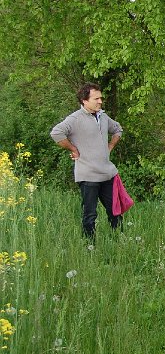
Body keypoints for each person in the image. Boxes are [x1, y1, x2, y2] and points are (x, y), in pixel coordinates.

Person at [50, 83, 124, 240]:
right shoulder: (75, 119)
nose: (100, 101)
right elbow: (56, 133)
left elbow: (118, 129)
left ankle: (120, 243)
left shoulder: (103, 116)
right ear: (84, 100)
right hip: (88, 176)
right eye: (96, 98)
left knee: (115, 212)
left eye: (101, 98)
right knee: (90, 215)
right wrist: (73, 149)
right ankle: (90, 247)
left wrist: (110, 145)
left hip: (107, 174)